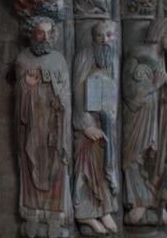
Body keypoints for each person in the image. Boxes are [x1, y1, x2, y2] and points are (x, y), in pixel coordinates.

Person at [15, 16, 73, 237]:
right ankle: (32, 215)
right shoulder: (23, 59)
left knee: (56, 167)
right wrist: (26, 87)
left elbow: (67, 95)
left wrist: (59, 96)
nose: (45, 38)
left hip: (55, 128)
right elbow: (17, 98)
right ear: (32, 34)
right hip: (32, 129)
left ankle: (55, 217)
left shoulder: (59, 60)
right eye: (40, 33)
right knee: (31, 166)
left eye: (49, 33)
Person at [121, 18, 167, 225]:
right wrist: (155, 84)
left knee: (154, 157)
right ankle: (137, 201)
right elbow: (130, 93)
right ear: (162, 33)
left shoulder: (160, 56)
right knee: (134, 155)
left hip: (156, 113)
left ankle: (154, 201)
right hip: (137, 114)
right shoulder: (140, 54)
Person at [72, 20, 119, 235]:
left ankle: (104, 210)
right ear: (93, 38)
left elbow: (113, 90)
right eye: (100, 36)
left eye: (109, 35)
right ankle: (87, 215)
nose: (104, 40)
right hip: (88, 126)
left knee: (104, 165)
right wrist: (87, 125)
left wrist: (111, 117)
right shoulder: (85, 56)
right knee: (88, 169)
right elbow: (77, 91)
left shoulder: (112, 58)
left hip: (107, 122)